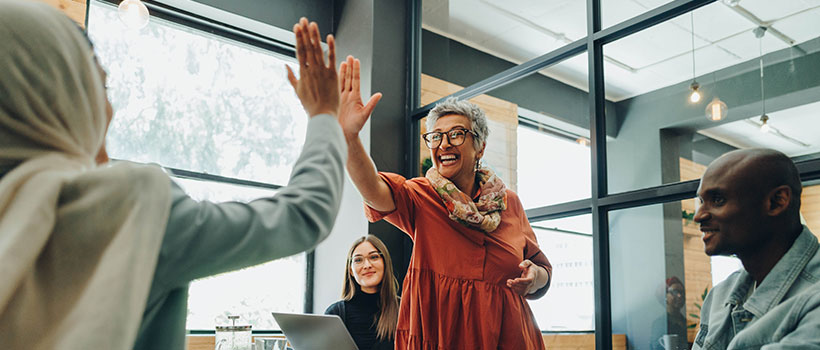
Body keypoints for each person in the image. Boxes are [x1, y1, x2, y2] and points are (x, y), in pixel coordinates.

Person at [0, 2, 345, 349]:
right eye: (98, 90)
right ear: (64, 100)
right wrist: (324, 114)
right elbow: (303, 214)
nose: (109, 110)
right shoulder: (131, 209)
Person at [337, 55, 552, 349]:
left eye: (456, 134)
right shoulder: (421, 196)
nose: (444, 144)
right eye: (436, 137)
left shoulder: (509, 203)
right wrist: (349, 139)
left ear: (480, 147)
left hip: (511, 337)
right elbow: (372, 189)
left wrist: (534, 277)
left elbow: (542, 270)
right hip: (441, 337)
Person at [692, 148, 820, 349]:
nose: (698, 216)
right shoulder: (720, 295)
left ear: (777, 202)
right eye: (701, 201)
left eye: (718, 200)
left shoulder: (814, 297)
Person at [325, 235, 400, 350]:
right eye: (358, 260)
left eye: (374, 257)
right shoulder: (334, 314)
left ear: (385, 263)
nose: (367, 265)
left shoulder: (405, 309)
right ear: (351, 270)